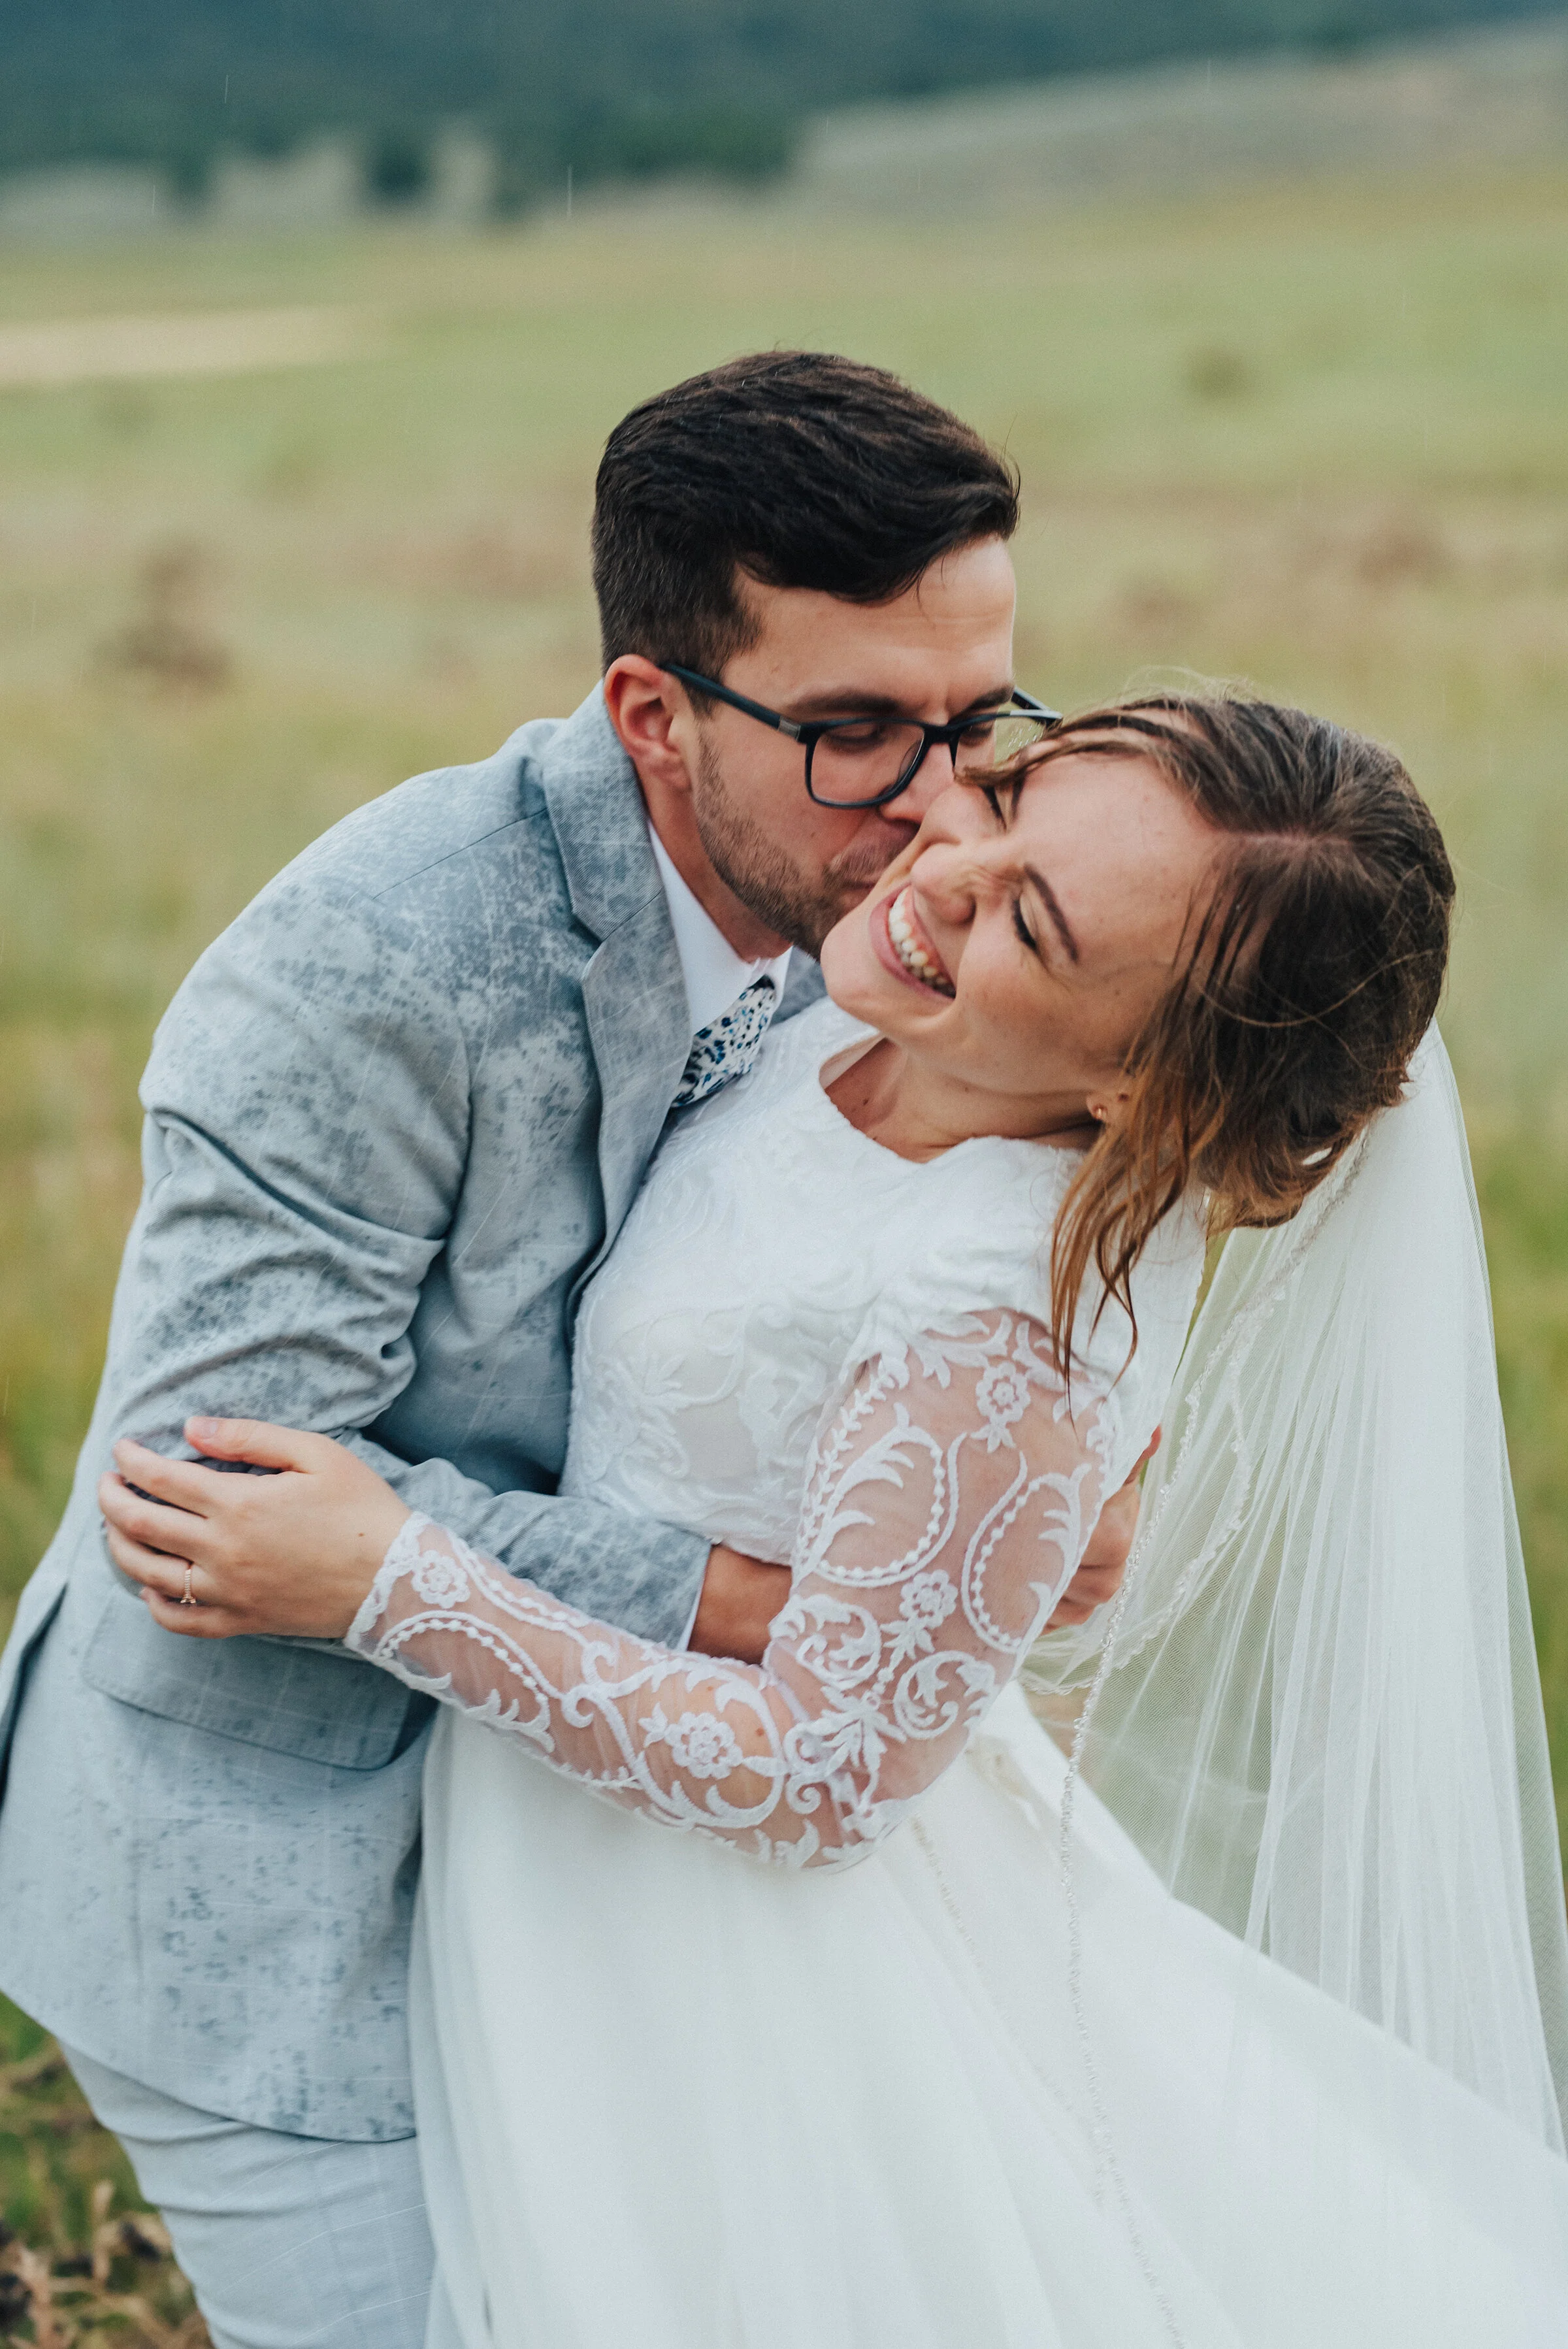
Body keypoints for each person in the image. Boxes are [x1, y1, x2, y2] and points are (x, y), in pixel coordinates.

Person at [98, 698, 1568, 2343]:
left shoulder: (1002, 1311)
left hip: (717, 1946)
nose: (945, 871)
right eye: (1003, 795)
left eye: (1031, 924)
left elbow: (824, 1778)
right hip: (553, 1840)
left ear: (1139, 1086)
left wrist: (389, 1583)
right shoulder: (874, 1016)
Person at [0, 352, 1135, 2349]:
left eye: (981, 720)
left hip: (647, 1871)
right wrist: (766, 1602)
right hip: (283, 1884)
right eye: (858, 733)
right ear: (652, 714)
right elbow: (222, 1497)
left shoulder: (921, 919)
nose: (941, 802)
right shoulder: (370, 964)